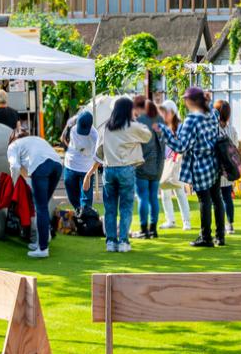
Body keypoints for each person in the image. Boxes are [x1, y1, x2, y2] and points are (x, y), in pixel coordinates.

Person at [161, 87, 226, 248]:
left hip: (200, 164)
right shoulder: (211, 113)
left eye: (186, 99)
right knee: (217, 199)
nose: (184, 101)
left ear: (192, 101)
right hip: (215, 161)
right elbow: (215, 112)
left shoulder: (192, 119)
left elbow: (181, 146)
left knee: (205, 200)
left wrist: (164, 131)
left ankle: (206, 237)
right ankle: (220, 236)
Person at [93, 96, 153, 254]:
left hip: (109, 169)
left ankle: (111, 242)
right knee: (125, 207)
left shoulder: (107, 126)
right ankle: (123, 241)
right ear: (128, 110)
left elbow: (99, 150)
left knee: (110, 208)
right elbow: (147, 136)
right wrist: (136, 120)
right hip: (126, 169)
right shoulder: (131, 126)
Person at [7, 125, 66, 258]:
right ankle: (44, 238)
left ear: (11, 140)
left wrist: (13, 185)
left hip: (40, 166)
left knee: (41, 208)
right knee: (43, 206)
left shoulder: (12, 147)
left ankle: (43, 248)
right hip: (57, 165)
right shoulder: (34, 139)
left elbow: (15, 167)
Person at [132, 96, 165, 241]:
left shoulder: (139, 122)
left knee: (142, 197)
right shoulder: (161, 120)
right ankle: (153, 229)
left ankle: (143, 229)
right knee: (153, 198)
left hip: (143, 164)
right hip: (158, 165)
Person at [62, 109, 99, 219]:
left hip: (86, 169)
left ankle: (87, 220)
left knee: (85, 200)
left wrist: (89, 175)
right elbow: (64, 138)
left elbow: (99, 158)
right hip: (70, 165)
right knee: (72, 195)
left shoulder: (95, 136)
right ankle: (80, 216)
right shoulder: (72, 126)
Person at [214, 100, 241, 236]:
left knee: (215, 198)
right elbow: (236, 146)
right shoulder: (232, 130)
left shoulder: (214, 129)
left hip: (216, 168)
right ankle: (230, 224)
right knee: (227, 197)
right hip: (229, 168)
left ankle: (218, 224)